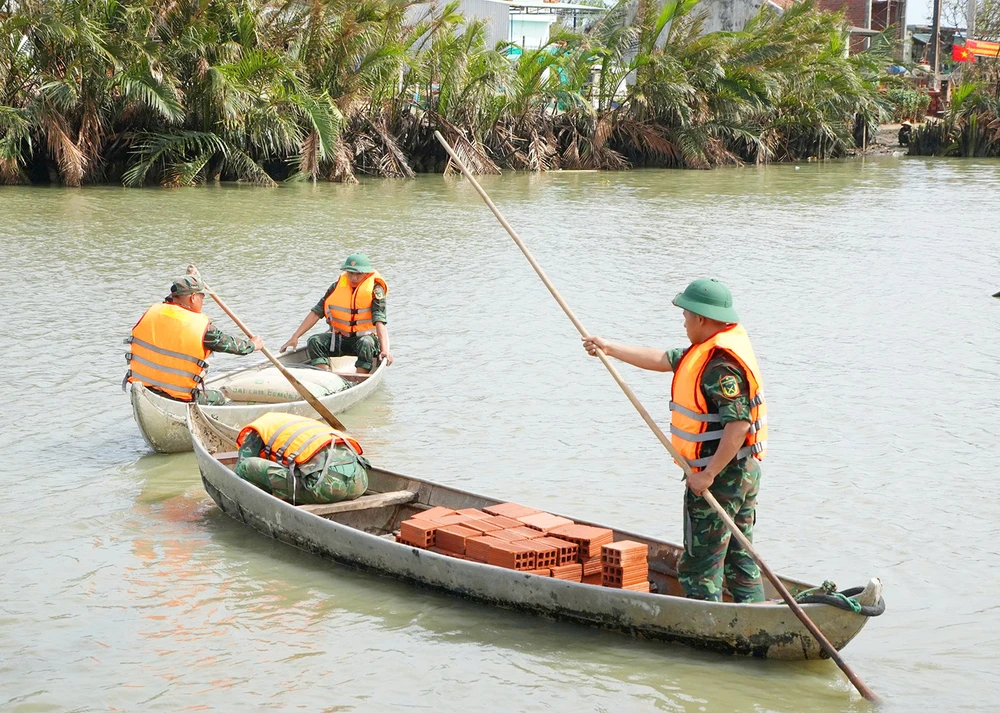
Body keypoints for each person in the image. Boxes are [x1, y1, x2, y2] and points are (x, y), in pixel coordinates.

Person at [582, 278, 767, 603]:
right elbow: (661, 359)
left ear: (701, 319)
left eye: (686, 316)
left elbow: (738, 426)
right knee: (740, 558)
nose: (683, 323)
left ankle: (704, 619)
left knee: (700, 564)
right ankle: (754, 612)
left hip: (721, 476)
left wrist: (708, 475)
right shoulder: (705, 353)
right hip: (741, 473)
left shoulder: (720, 367)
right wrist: (608, 348)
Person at [125, 273, 264, 404]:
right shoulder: (201, 327)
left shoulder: (152, 312)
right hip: (181, 397)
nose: (202, 302)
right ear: (193, 298)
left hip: (145, 389)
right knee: (221, 397)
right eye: (202, 297)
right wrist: (252, 345)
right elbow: (233, 346)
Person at [280, 253, 393, 374]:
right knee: (314, 341)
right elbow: (316, 313)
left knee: (365, 343)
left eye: (358, 274)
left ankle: (359, 378)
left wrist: (385, 350)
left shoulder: (376, 290)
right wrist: (295, 336)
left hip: (365, 341)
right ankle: (325, 377)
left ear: (366, 274)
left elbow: (379, 321)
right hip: (339, 340)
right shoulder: (335, 287)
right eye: (350, 273)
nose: (354, 278)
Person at [235, 412, 369, 505]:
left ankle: (277, 495)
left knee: (246, 466)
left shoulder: (260, 430)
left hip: (325, 488)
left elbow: (241, 465)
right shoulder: (301, 425)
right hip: (360, 482)